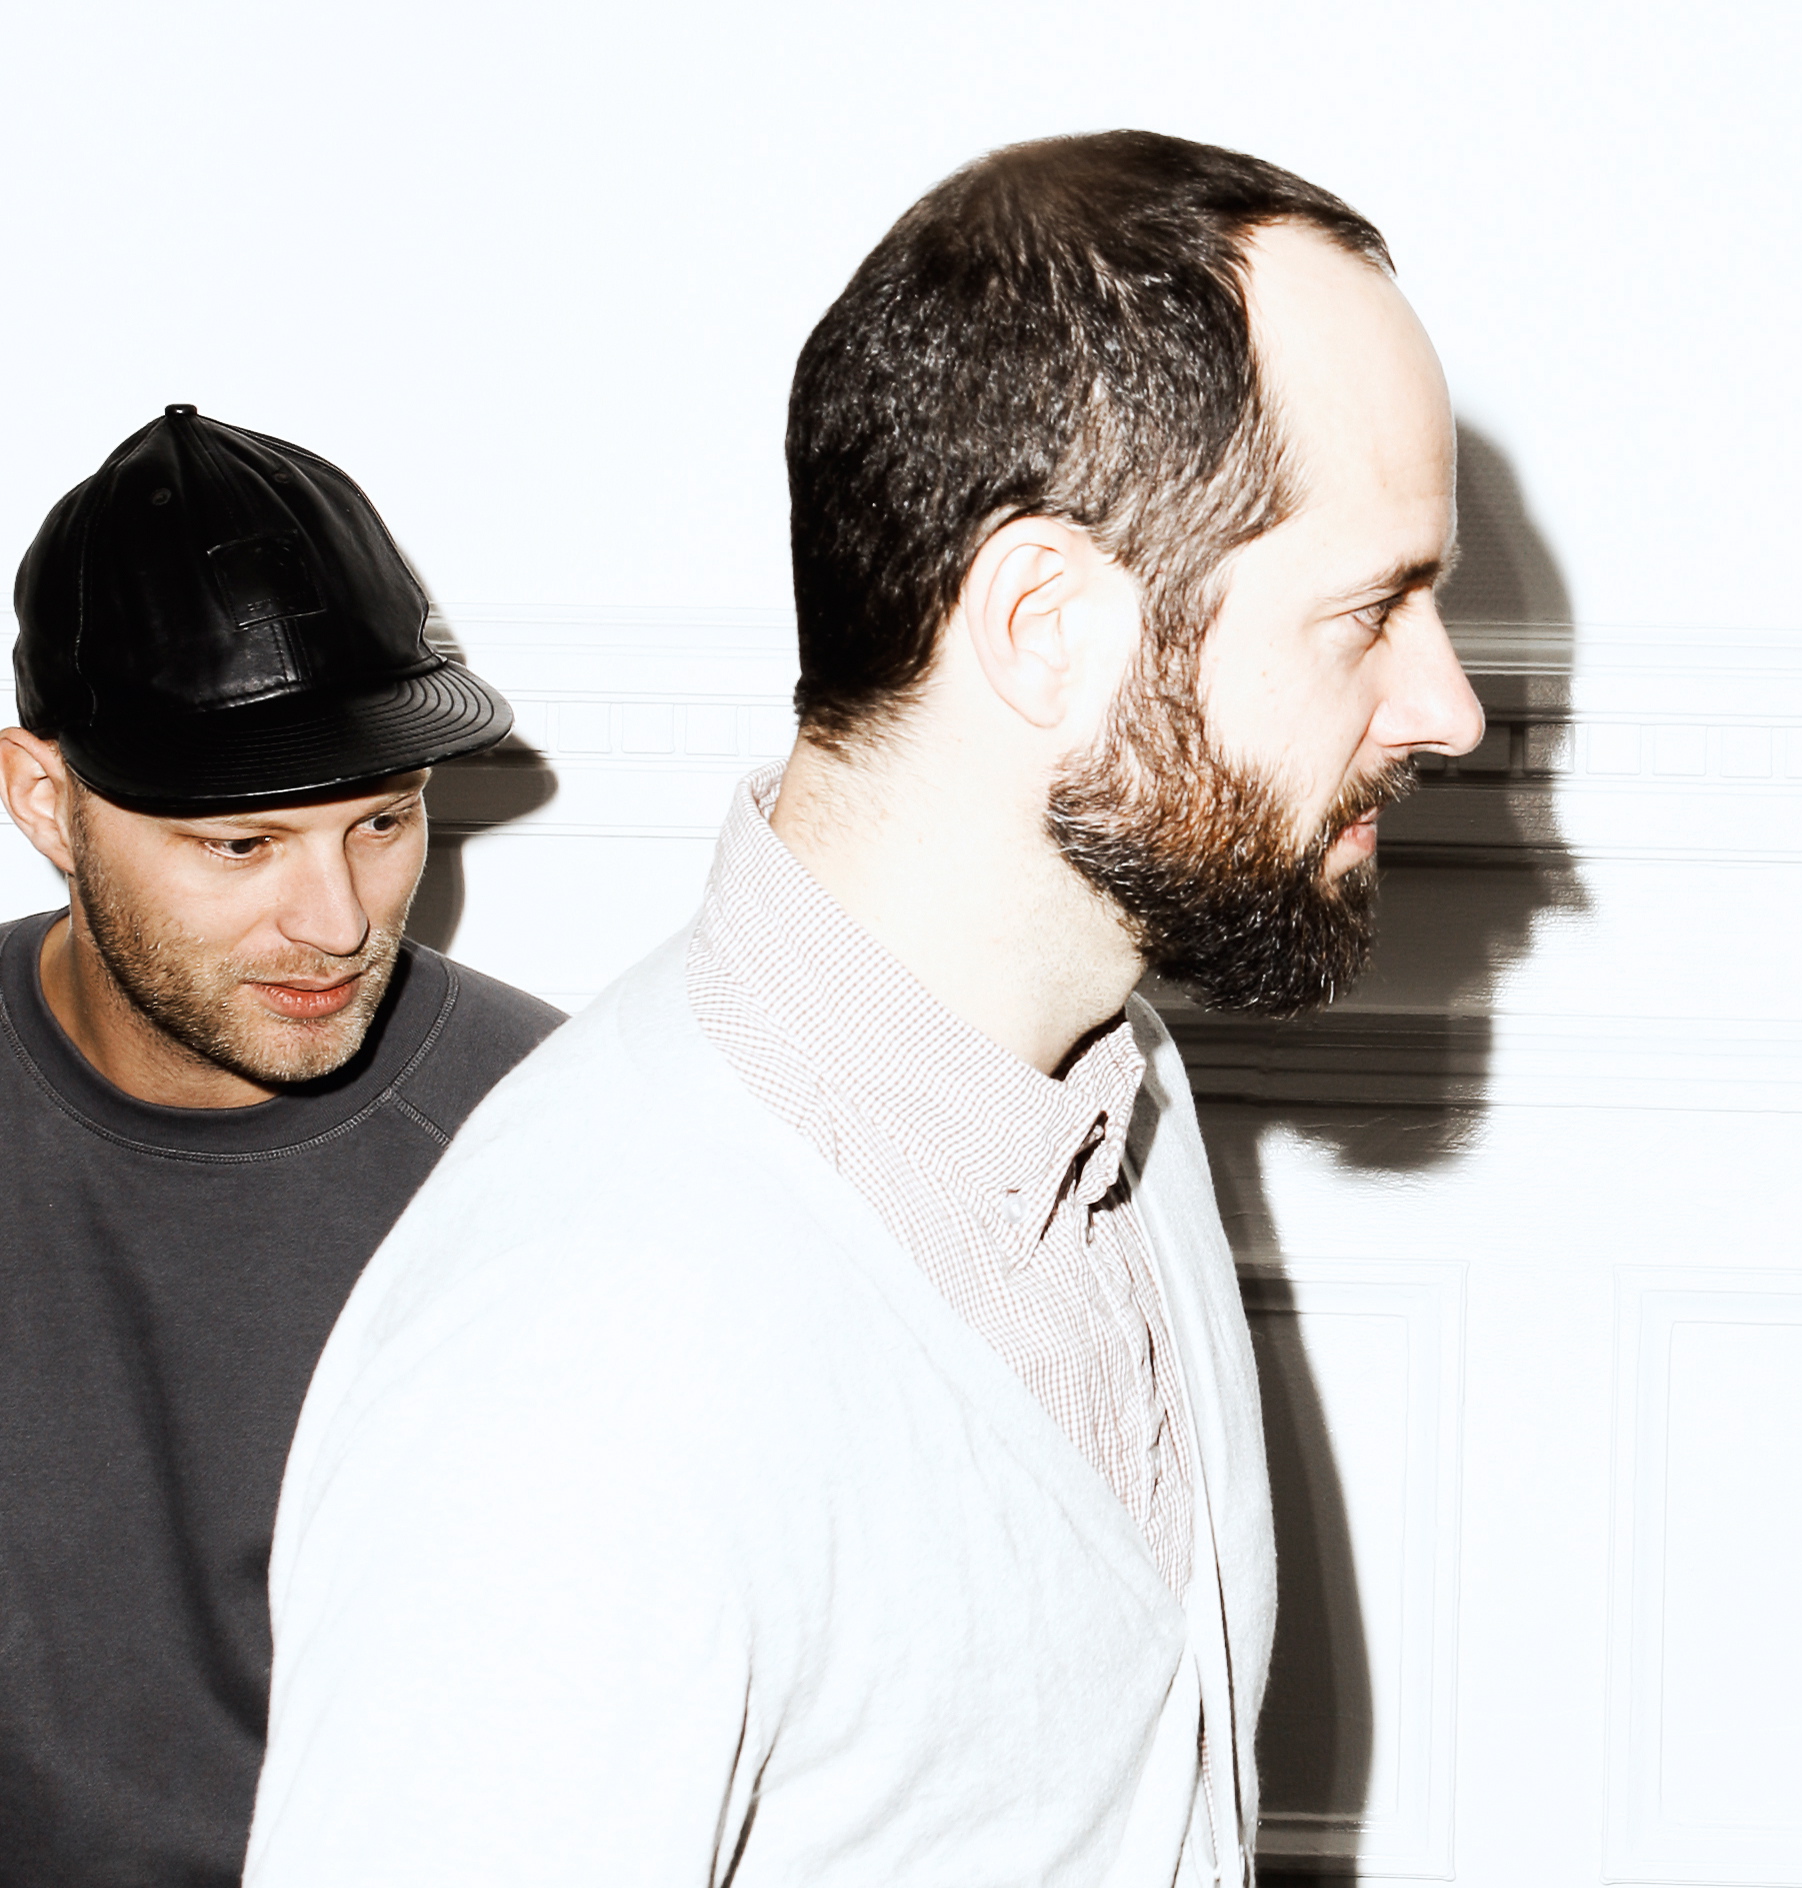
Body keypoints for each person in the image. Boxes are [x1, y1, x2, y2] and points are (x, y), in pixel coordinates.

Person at [243, 131, 1482, 1886]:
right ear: (1044, 624)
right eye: (1372, 609)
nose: (1449, 706)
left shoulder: (1118, 1082)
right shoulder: (577, 1362)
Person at [0, 405, 562, 1887]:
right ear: (46, 800)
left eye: (383, 823)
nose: (339, 922)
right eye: (242, 844)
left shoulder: (557, 1149)